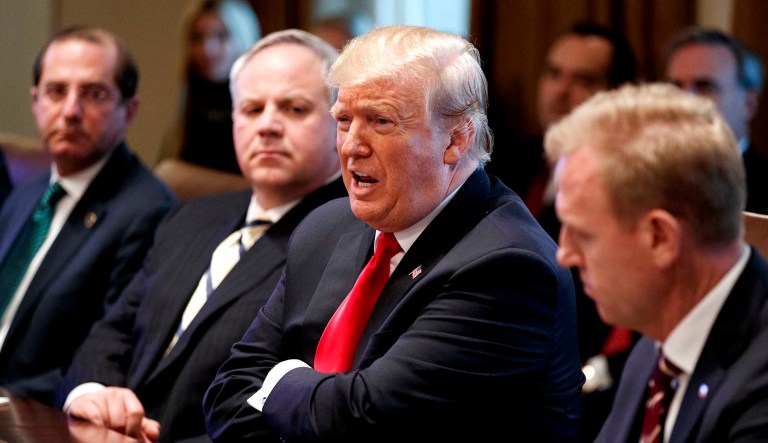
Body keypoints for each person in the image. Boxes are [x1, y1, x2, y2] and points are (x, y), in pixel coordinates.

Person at [203, 25, 583, 442]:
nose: (351, 146)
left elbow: (362, 419)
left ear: (456, 140)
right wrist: (306, 396)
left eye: (380, 121)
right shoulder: (325, 227)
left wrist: (278, 382)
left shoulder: (506, 265)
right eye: (344, 120)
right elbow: (228, 394)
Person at [57, 29, 345, 443]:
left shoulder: (347, 241)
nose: (267, 125)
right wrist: (94, 393)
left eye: (294, 109)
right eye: (250, 109)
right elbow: (114, 330)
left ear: (341, 121)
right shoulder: (190, 216)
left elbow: (288, 411)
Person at [546, 82, 768, 442]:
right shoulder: (656, 343)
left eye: (583, 234)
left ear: (661, 238)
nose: (564, 254)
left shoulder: (758, 381)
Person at [0, 26, 177, 405]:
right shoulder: (29, 192)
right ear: (35, 102)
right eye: (56, 91)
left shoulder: (148, 212)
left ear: (128, 110)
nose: (70, 111)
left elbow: (101, 354)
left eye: (94, 94)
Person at [155, 0, 260, 199]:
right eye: (197, 37)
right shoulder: (190, 102)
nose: (207, 49)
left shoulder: (260, 105)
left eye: (222, 36)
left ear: (244, 38)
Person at [665, 26, 768, 215]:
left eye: (705, 86)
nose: (684, 99)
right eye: (676, 86)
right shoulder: (642, 182)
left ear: (749, 104)